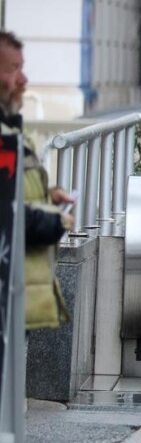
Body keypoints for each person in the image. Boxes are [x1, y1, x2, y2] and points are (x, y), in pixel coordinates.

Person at [0, 31, 74, 330]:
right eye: (11, 69)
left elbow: (13, 196)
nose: (23, 79)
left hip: (15, 297)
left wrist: (48, 196)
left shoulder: (13, 131)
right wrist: (53, 223)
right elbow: (7, 215)